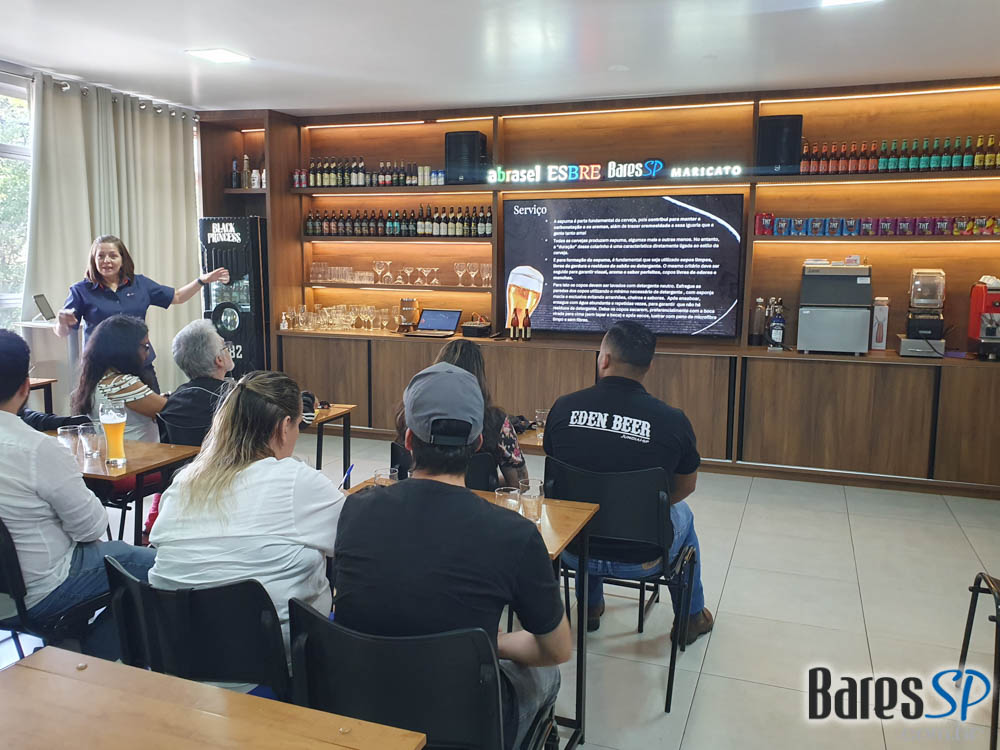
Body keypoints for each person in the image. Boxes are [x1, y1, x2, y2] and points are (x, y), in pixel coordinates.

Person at [335, 362, 571, 750]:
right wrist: (491, 643)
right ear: (478, 444)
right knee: (549, 676)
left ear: (408, 440)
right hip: (465, 723)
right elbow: (556, 648)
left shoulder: (355, 509)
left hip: (361, 709)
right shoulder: (514, 534)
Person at [149, 370, 344, 675]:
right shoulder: (294, 480)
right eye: (298, 425)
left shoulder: (184, 480)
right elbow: (354, 544)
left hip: (180, 663)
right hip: (274, 667)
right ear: (284, 426)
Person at [543, 320, 712, 639]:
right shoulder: (673, 421)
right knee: (684, 516)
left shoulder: (563, 408)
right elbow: (686, 487)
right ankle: (690, 618)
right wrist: (638, 508)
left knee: (587, 507)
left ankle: (590, 606)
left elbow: (556, 476)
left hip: (573, 550)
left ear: (604, 359)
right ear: (649, 366)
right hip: (643, 557)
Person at [0, 330, 156, 661]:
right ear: (26, 387)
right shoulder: (36, 449)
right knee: (157, 567)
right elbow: (91, 527)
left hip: (9, 596)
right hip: (41, 592)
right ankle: (92, 659)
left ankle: (72, 647)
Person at [55, 234, 229, 391]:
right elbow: (63, 332)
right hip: (101, 368)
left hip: (139, 363)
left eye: (113, 256)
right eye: (100, 256)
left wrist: (202, 281)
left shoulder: (140, 284)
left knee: (155, 411)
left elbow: (177, 297)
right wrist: (62, 322)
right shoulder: (81, 290)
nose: (106, 261)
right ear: (93, 260)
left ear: (122, 259)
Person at [395, 339, 528, 487]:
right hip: (478, 499)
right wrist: (488, 482)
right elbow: (520, 482)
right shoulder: (497, 421)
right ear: (478, 441)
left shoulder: (411, 412)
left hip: (415, 495)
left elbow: (398, 472)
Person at [71, 315, 166, 443]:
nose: (147, 353)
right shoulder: (121, 384)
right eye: (145, 346)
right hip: (139, 453)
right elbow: (171, 412)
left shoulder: (95, 381)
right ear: (127, 349)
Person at [157, 319, 235, 446]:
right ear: (219, 360)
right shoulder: (236, 401)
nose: (229, 349)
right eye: (225, 346)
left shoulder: (172, 403)